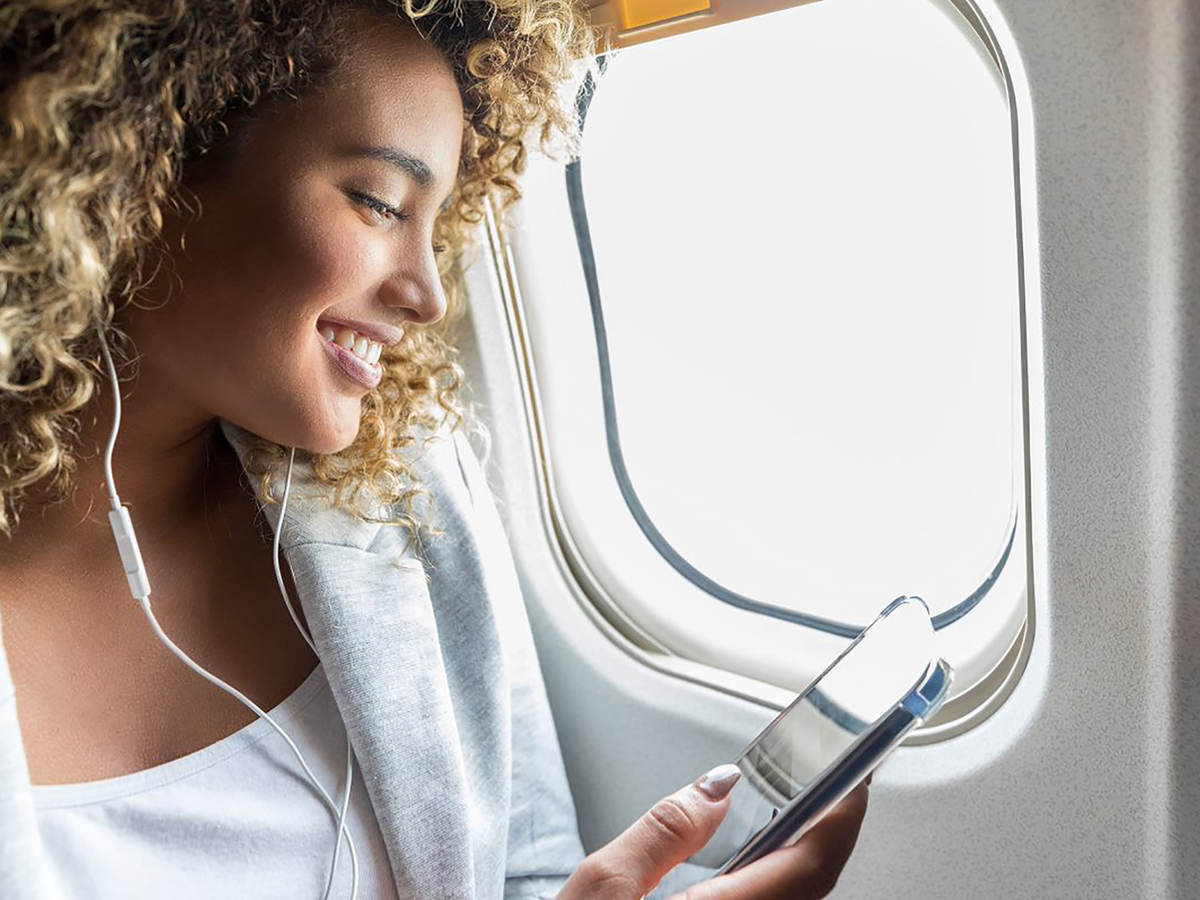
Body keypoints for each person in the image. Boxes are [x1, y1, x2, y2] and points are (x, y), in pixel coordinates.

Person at [0, 1, 869, 897]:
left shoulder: (406, 488)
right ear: (140, 163)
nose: (425, 295)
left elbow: (520, 870)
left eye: (436, 219)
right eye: (380, 202)